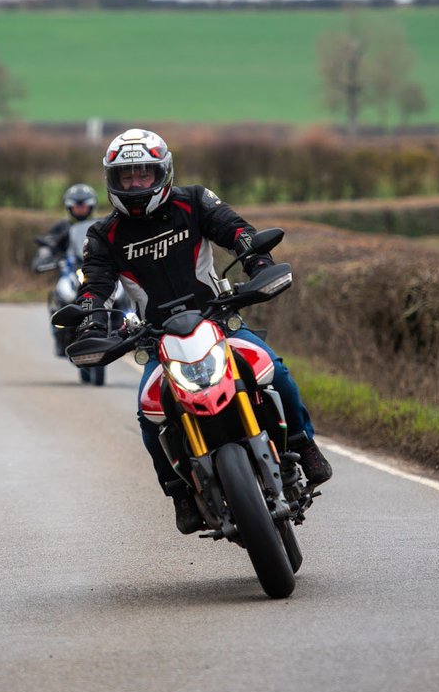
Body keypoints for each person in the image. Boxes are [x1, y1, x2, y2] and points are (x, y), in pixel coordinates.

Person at [73, 128, 332, 534]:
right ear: (113, 181)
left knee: (275, 372)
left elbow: (235, 230)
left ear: (163, 172)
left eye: (144, 174)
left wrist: (257, 262)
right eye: (127, 177)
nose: (137, 184)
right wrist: (90, 315)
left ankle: (303, 444)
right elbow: (95, 285)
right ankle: (179, 492)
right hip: (158, 339)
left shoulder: (193, 200)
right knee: (148, 413)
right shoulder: (102, 235)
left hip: (218, 320)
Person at [31, 183, 98, 272]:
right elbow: (50, 242)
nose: (80, 209)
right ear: (70, 207)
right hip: (71, 271)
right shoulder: (62, 226)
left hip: (98, 270)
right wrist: (44, 255)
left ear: (91, 206)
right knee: (63, 285)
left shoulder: (100, 225)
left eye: (83, 206)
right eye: (77, 206)